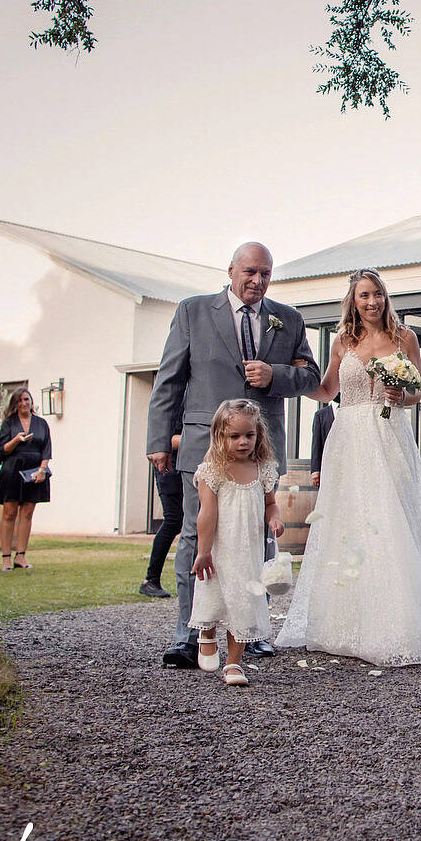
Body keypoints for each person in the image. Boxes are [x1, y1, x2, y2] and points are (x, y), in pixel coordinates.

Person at [146, 241, 321, 669]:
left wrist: (275, 375)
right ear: (230, 270)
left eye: (265, 274)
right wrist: (157, 439)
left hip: (259, 448)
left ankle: (252, 632)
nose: (257, 281)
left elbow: (311, 377)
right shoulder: (193, 311)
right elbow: (170, 378)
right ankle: (188, 633)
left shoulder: (289, 319)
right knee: (193, 535)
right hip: (202, 443)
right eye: (249, 272)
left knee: (256, 538)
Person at [276, 269, 421, 665]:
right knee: (349, 522)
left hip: (389, 435)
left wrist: (401, 393)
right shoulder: (343, 341)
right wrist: (289, 376)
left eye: (377, 294)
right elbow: (327, 391)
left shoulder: (404, 338)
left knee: (388, 519)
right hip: (349, 437)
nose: (372, 301)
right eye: (364, 295)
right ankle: (344, 620)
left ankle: (395, 621)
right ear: (353, 300)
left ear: (385, 297)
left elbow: (417, 394)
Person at [187, 400, 283, 687]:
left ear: (258, 435)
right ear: (220, 435)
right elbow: (207, 513)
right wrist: (204, 552)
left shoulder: (263, 468)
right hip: (219, 547)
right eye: (235, 436)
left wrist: (274, 519)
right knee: (214, 592)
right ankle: (207, 631)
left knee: (244, 601)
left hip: (249, 548)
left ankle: (234, 663)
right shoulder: (212, 470)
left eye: (249, 436)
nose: (243, 442)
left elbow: (270, 503)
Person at [0, 387, 53, 571]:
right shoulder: (9, 423)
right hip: (12, 470)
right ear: (15, 404)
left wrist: (42, 470)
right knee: (9, 513)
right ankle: (6, 559)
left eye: (27, 399)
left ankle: (21, 556)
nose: (24, 403)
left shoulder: (41, 423)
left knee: (27, 513)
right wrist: (16, 439)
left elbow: (47, 449)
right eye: (20, 400)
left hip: (35, 471)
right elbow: (1, 450)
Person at [139, 434, 181, 598]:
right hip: (170, 468)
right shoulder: (171, 412)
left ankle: (152, 580)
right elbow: (167, 440)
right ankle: (150, 580)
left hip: (180, 466)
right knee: (174, 521)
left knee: (180, 522)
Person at [308, 401, 337, 488]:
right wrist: (316, 470)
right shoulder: (320, 415)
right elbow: (316, 443)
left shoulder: (350, 414)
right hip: (327, 465)